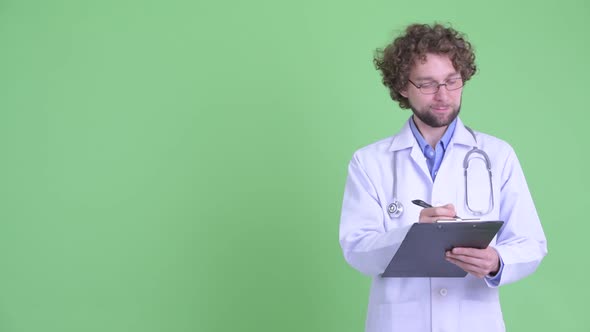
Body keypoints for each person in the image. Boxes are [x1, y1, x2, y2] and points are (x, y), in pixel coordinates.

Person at [338, 23, 547, 332]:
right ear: (402, 87)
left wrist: (496, 261)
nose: (443, 95)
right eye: (427, 84)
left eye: (452, 81)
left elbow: (531, 242)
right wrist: (412, 235)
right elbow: (356, 248)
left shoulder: (497, 155)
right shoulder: (369, 162)